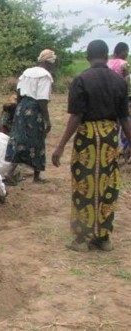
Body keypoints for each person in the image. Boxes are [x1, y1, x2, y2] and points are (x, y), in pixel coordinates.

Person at [52, 40, 131, 252]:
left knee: (84, 185)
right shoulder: (120, 82)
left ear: (88, 56)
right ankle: (103, 238)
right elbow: (124, 118)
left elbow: (76, 116)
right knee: (107, 186)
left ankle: (81, 240)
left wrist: (60, 147)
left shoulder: (81, 80)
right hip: (108, 139)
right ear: (107, 56)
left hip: (87, 140)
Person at [5, 49, 57, 184]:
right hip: (34, 110)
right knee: (37, 140)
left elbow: (19, 92)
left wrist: (20, 106)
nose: (53, 66)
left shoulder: (26, 73)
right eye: (52, 63)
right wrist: (47, 120)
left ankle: (10, 172)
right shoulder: (45, 76)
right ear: (48, 63)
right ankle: (36, 176)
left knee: (19, 139)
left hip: (22, 108)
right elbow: (42, 99)